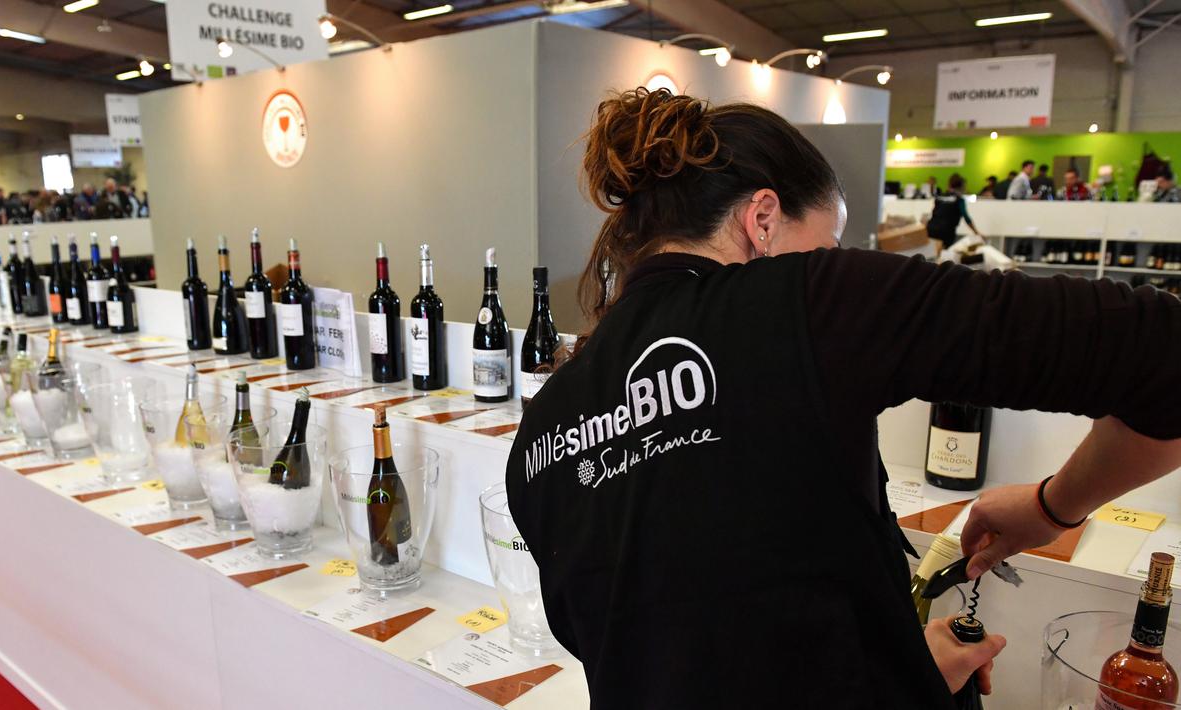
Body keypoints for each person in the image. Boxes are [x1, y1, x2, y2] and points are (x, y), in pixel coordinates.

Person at [506, 88, 1181, 709]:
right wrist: (1051, 506)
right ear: (762, 219)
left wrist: (897, 659)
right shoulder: (811, 299)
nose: (833, 257)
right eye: (827, 242)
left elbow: (687, 647)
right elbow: (1164, 356)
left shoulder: (539, 436)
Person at [926, 173, 982, 250]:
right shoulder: (959, 200)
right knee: (941, 253)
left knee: (933, 253)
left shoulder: (940, 197)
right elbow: (966, 218)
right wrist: (976, 232)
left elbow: (935, 213)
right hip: (946, 231)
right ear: (962, 187)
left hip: (931, 229)